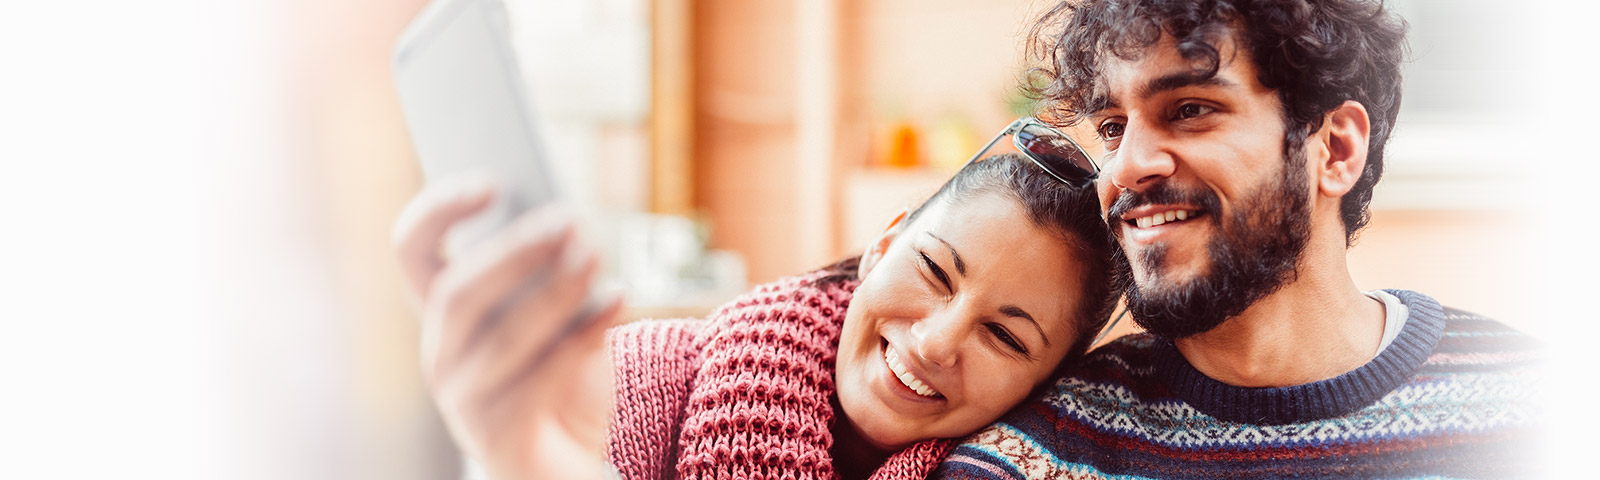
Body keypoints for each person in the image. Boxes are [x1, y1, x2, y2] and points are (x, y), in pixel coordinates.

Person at [933, 1, 1545, 478]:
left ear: (1335, 149)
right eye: (1113, 128)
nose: (1123, 168)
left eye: (1190, 110)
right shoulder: (1026, 461)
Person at [392, 152, 1122, 479]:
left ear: (1042, 385)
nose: (935, 342)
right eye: (933, 271)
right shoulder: (642, 377)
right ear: (884, 243)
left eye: (1003, 335)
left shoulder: (1006, 471)